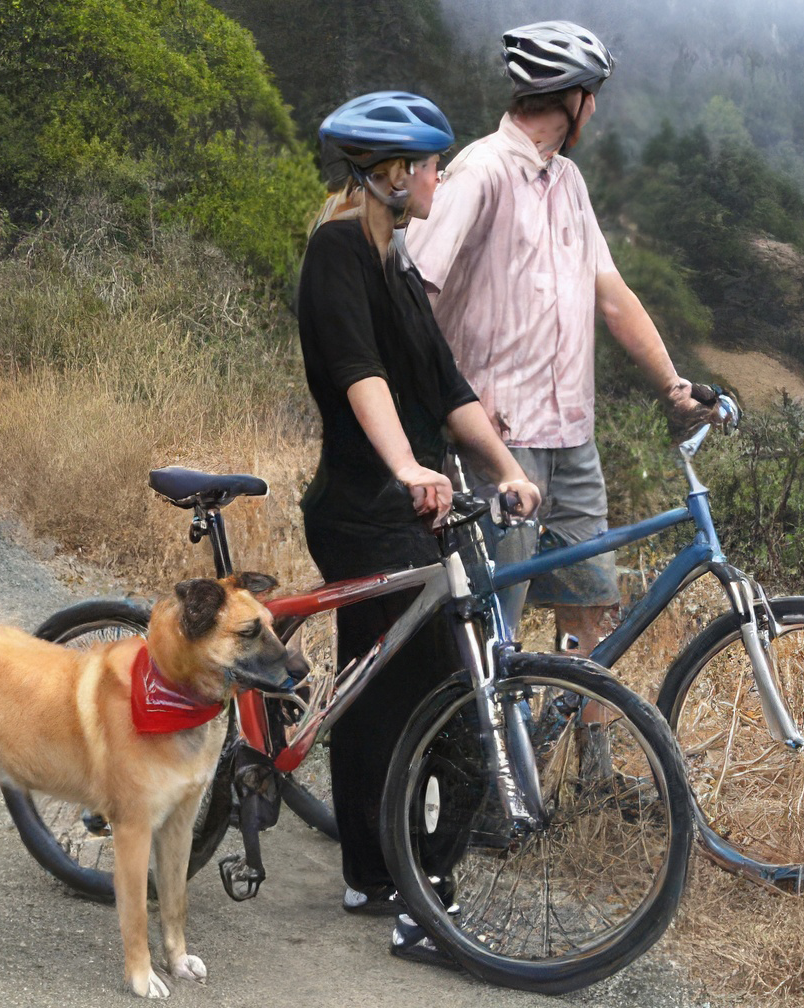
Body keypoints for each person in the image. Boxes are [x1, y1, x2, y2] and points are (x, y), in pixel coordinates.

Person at [295, 91, 541, 954]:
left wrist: (505, 468)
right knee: (448, 698)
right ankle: (424, 904)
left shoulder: (394, 259)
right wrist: (406, 467)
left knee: (375, 695)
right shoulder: (336, 253)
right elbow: (360, 376)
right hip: (365, 508)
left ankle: (371, 875)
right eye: (430, 163)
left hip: (409, 507)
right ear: (394, 175)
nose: (440, 174)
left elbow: (446, 386)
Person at [406, 20, 713, 660]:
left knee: (590, 602)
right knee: (498, 618)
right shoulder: (480, 172)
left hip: (573, 439)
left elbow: (613, 295)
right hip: (499, 440)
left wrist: (673, 386)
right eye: (591, 94)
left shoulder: (567, 182)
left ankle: (588, 752)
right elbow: (415, 291)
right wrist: (442, 405)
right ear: (570, 98)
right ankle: (493, 758)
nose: (595, 108)